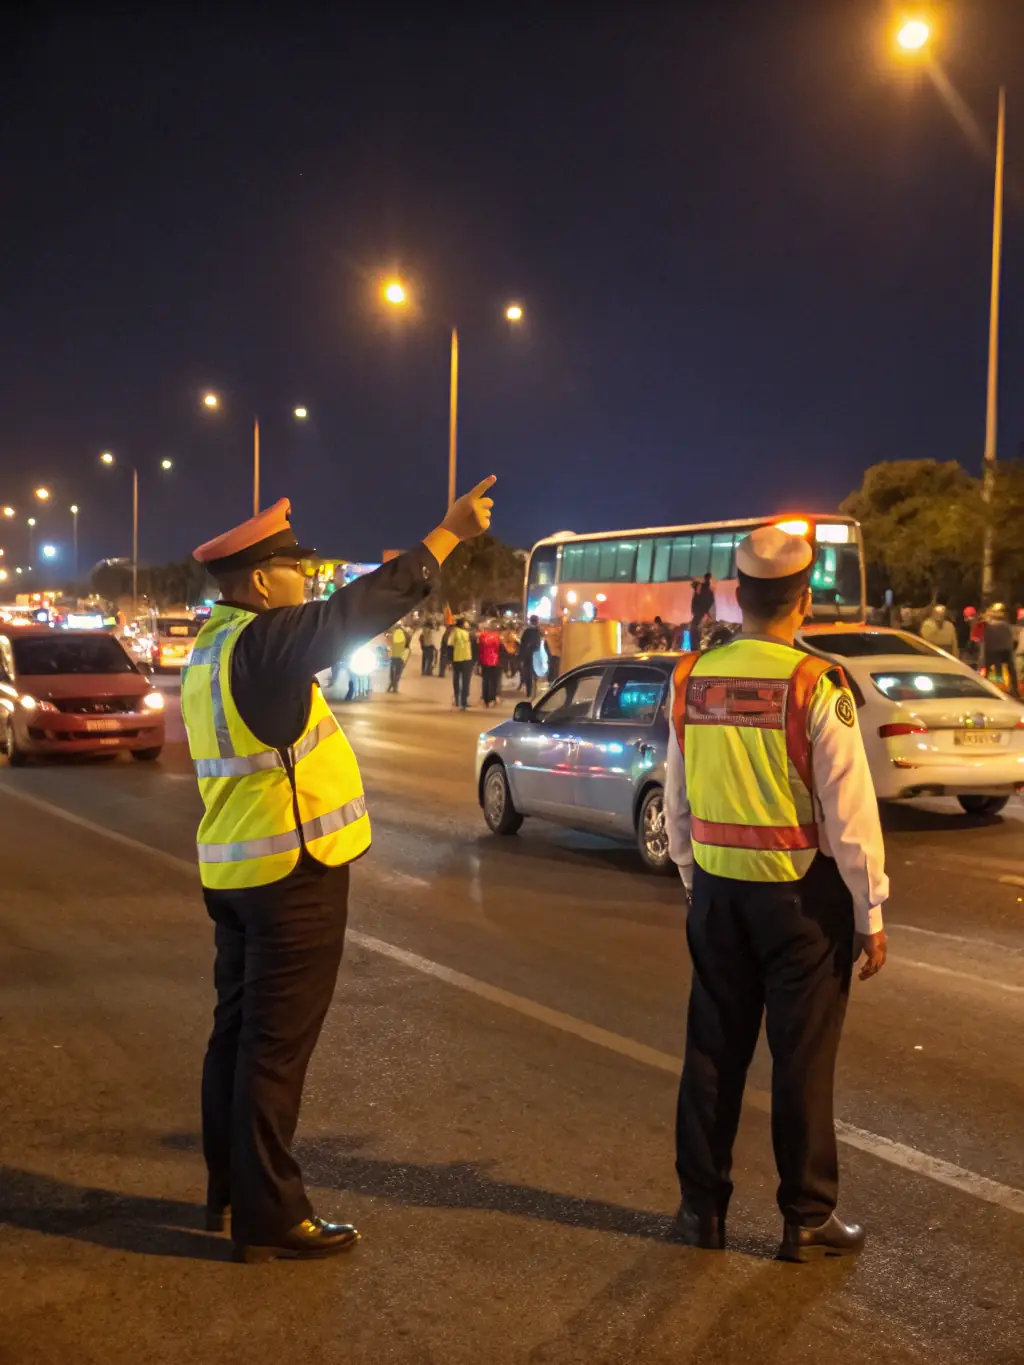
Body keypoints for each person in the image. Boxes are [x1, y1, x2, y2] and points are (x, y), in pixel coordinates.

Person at [181, 477, 497, 1264]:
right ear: (259, 582)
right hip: (294, 870)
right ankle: (271, 1213)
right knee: (273, 1050)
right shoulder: (266, 641)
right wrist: (447, 533)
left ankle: (231, 1188)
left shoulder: (212, 645)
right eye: (293, 566)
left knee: (236, 1036)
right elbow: (354, 612)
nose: (306, 577)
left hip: (236, 871)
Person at [664, 525, 888, 1264]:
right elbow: (849, 811)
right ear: (804, 600)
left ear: (737, 593)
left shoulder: (692, 676)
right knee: (801, 1059)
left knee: (711, 1052)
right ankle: (805, 1217)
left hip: (719, 896)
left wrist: (696, 878)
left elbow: (678, 796)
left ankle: (702, 1211)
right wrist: (870, 910)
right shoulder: (814, 683)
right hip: (799, 904)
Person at [981, 603, 1020, 698]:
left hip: (996, 650)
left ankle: (1000, 689)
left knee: (997, 670)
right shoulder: (1003, 625)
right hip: (1002, 649)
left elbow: (985, 641)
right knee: (1008, 670)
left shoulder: (991, 624)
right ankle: (1011, 689)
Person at [477, 620, 502, 706]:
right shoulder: (497, 636)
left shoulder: (482, 636)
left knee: (485, 680)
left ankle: (485, 698)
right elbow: (498, 649)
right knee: (494, 681)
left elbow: (480, 648)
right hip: (495, 661)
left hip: (484, 660)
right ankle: (492, 698)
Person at [450, 618, 473, 709]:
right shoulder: (468, 634)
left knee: (456, 681)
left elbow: (449, 647)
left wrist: (449, 660)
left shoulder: (454, 633)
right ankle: (464, 701)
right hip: (466, 659)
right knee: (465, 681)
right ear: (463, 624)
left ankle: (457, 700)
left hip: (457, 659)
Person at [518, 615, 543, 698]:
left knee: (528, 674)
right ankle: (533, 692)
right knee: (534, 674)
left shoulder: (527, 631)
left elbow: (522, 644)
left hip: (527, 656)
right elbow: (539, 645)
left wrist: (521, 656)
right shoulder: (538, 632)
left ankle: (529, 692)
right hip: (534, 656)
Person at [689, 572, 715, 649]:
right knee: (696, 630)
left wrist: (706, 613)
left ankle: (695, 648)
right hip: (701, 614)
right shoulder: (705, 590)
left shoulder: (703, 591)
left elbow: (700, 605)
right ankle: (696, 648)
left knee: (695, 630)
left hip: (700, 614)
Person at [386, 623, 410, 692]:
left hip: (396, 655)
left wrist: (388, 638)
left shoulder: (397, 633)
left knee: (393, 673)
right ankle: (393, 687)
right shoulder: (404, 633)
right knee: (397, 672)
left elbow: (394, 643)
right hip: (402, 656)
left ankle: (393, 687)